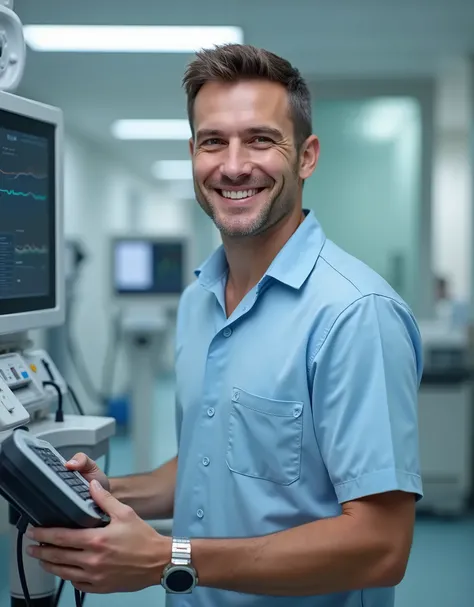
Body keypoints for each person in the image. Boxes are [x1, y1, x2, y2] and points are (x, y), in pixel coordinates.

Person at [26, 44, 423, 607]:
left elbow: (381, 546)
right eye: (213, 141)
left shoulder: (355, 315)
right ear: (193, 154)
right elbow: (211, 459)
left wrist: (168, 557)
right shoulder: (198, 301)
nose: (234, 165)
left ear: (306, 156)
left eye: (261, 139)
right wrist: (109, 492)